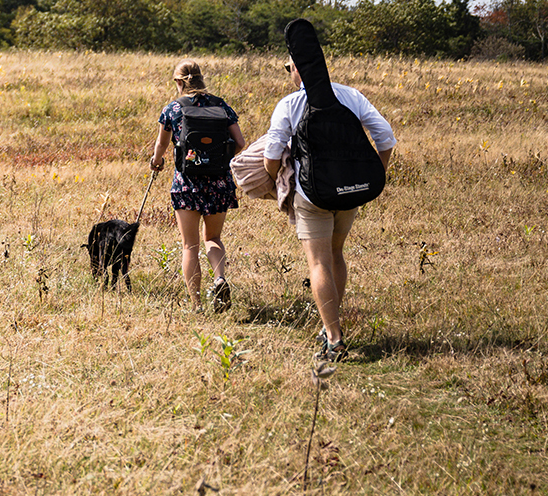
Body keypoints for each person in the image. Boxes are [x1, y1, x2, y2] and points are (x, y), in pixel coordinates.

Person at [264, 58, 394, 361]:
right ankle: (330, 326)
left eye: (289, 68)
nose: (290, 74)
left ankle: (333, 337)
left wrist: (274, 182)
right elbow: (385, 136)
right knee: (336, 255)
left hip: (312, 196)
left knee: (319, 263)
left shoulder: (291, 104)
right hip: (351, 192)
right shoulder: (351, 96)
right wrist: (376, 175)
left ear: (298, 69)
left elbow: (272, 153)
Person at [149, 59, 246, 312]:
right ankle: (220, 278)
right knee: (213, 237)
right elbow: (240, 141)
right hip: (219, 181)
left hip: (186, 183)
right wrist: (220, 160)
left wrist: (156, 161)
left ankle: (196, 304)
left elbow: (161, 144)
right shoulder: (221, 105)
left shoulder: (172, 109)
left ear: (179, 82)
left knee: (190, 245)